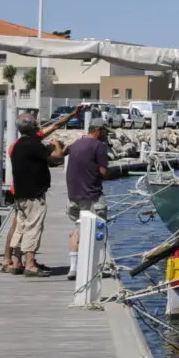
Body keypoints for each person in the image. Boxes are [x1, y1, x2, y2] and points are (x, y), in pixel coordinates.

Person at [2, 116, 63, 276]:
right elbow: (57, 157)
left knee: (21, 228)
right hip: (33, 195)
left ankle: (16, 261)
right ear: (33, 127)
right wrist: (57, 145)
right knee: (33, 228)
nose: (38, 124)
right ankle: (30, 264)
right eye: (36, 122)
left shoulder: (16, 145)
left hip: (20, 195)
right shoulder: (33, 144)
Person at [63, 119, 112, 280]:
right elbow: (103, 171)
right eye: (105, 132)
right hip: (93, 196)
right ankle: (99, 267)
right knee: (99, 229)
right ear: (98, 130)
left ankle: (74, 268)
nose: (106, 135)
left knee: (77, 230)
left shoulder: (76, 144)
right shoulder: (99, 146)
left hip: (74, 195)